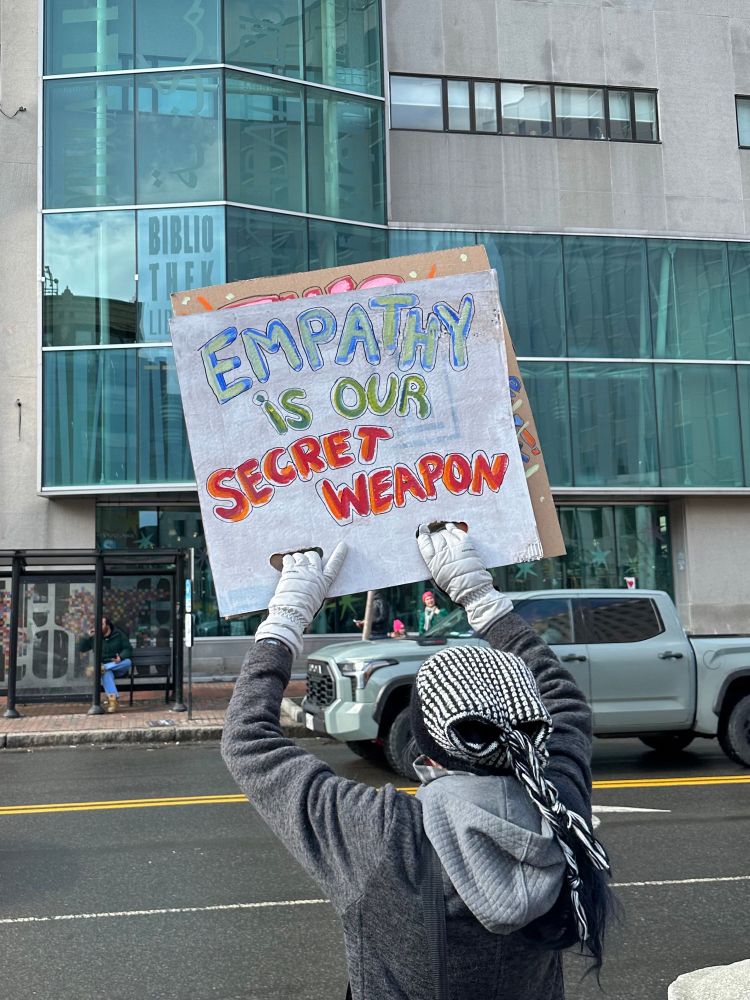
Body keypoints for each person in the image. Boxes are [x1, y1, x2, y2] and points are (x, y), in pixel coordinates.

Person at [221, 524, 613, 1000]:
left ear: (423, 753)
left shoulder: (385, 832)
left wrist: (284, 619)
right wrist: (482, 597)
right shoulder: (560, 804)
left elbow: (246, 739)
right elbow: (566, 700)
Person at [80, 617, 133, 713]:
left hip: (118, 666)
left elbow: (128, 649)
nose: (98, 627)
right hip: (105, 668)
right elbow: (82, 649)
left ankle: (101, 668)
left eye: (102, 625)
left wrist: (120, 657)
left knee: (128, 662)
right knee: (106, 673)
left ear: (107, 625)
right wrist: (86, 637)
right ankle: (113, 701)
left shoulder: (118, 634)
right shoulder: (94, 636)